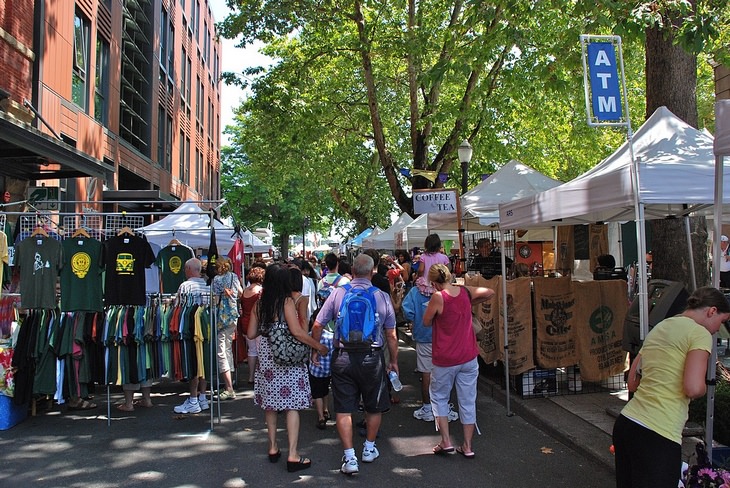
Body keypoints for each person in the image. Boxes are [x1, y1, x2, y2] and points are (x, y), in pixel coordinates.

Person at [612, 286, 730, 488]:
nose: (717, 330)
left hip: (627, 423)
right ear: (711, 311)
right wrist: (703, 389)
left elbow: (632, 380)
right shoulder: (699, 334)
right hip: (659, 432)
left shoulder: (661, 326)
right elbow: (692, 388)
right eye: (721, 322)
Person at [311, 253, 398, 475]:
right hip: (372, 357)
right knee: (373, 404)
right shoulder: (381, 296)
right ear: (372, 271)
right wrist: (394, 361)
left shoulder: (339, 293)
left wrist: (316, 348)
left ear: (352, 270)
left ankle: (349, 457)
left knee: (343, 407)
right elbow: (391, 334)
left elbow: (318, 324)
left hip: (343, 357)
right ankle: (369, 449)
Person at [247, 264, 328, 473]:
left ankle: (273, 447)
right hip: (287, 359)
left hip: (267, 359)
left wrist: (269, 329)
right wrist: (318, 346)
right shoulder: (286, 302)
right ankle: (293, 454)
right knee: (292, 405)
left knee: (271, 406)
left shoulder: (259, 304)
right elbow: (298, 332)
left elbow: (251, 333)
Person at [423, 264, 495, 458]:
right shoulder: (464, 291)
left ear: (433, 283)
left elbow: (426, 321)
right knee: (467, 400)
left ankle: (446, 441)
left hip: (445, 357)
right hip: (468, 355)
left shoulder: (438, 297)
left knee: (439, 397)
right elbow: (490, 292)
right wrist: (469, 303)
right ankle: (468, 445)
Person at [402, 278, 458, 423]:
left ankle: (427, 408)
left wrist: (415, 320)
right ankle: (444, 407)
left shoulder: (415, 291)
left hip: (423, 335)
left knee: (426, 373)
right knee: (444, 373)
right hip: (444, 337)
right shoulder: (446, 290)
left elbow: (407, 311)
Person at [173, 258, 212, 414]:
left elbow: (179, 306)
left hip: (191, 328)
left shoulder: (185, 286)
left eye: (185, 268)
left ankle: (193, 399)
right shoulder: (207, 285)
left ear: (189, 269)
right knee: (203, 363)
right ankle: (202, 397)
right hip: (206, 328)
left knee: (193, 364)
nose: (184, 271)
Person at [212, 257, 243, 400]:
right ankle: (229, 383)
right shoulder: (234, 277)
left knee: (221, 351)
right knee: (228, 348)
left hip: (221, 318)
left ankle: (228, 387)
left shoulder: (217, 280)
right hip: (233, 315)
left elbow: (215, 300)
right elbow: (240, 293)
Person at [240, 266, 264, 385]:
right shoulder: (261, 291)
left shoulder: (245, 290)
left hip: (245, 323)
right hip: (258, 324)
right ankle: (261, 376)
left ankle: (251, 377)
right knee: (261, 350)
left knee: (252, 350)